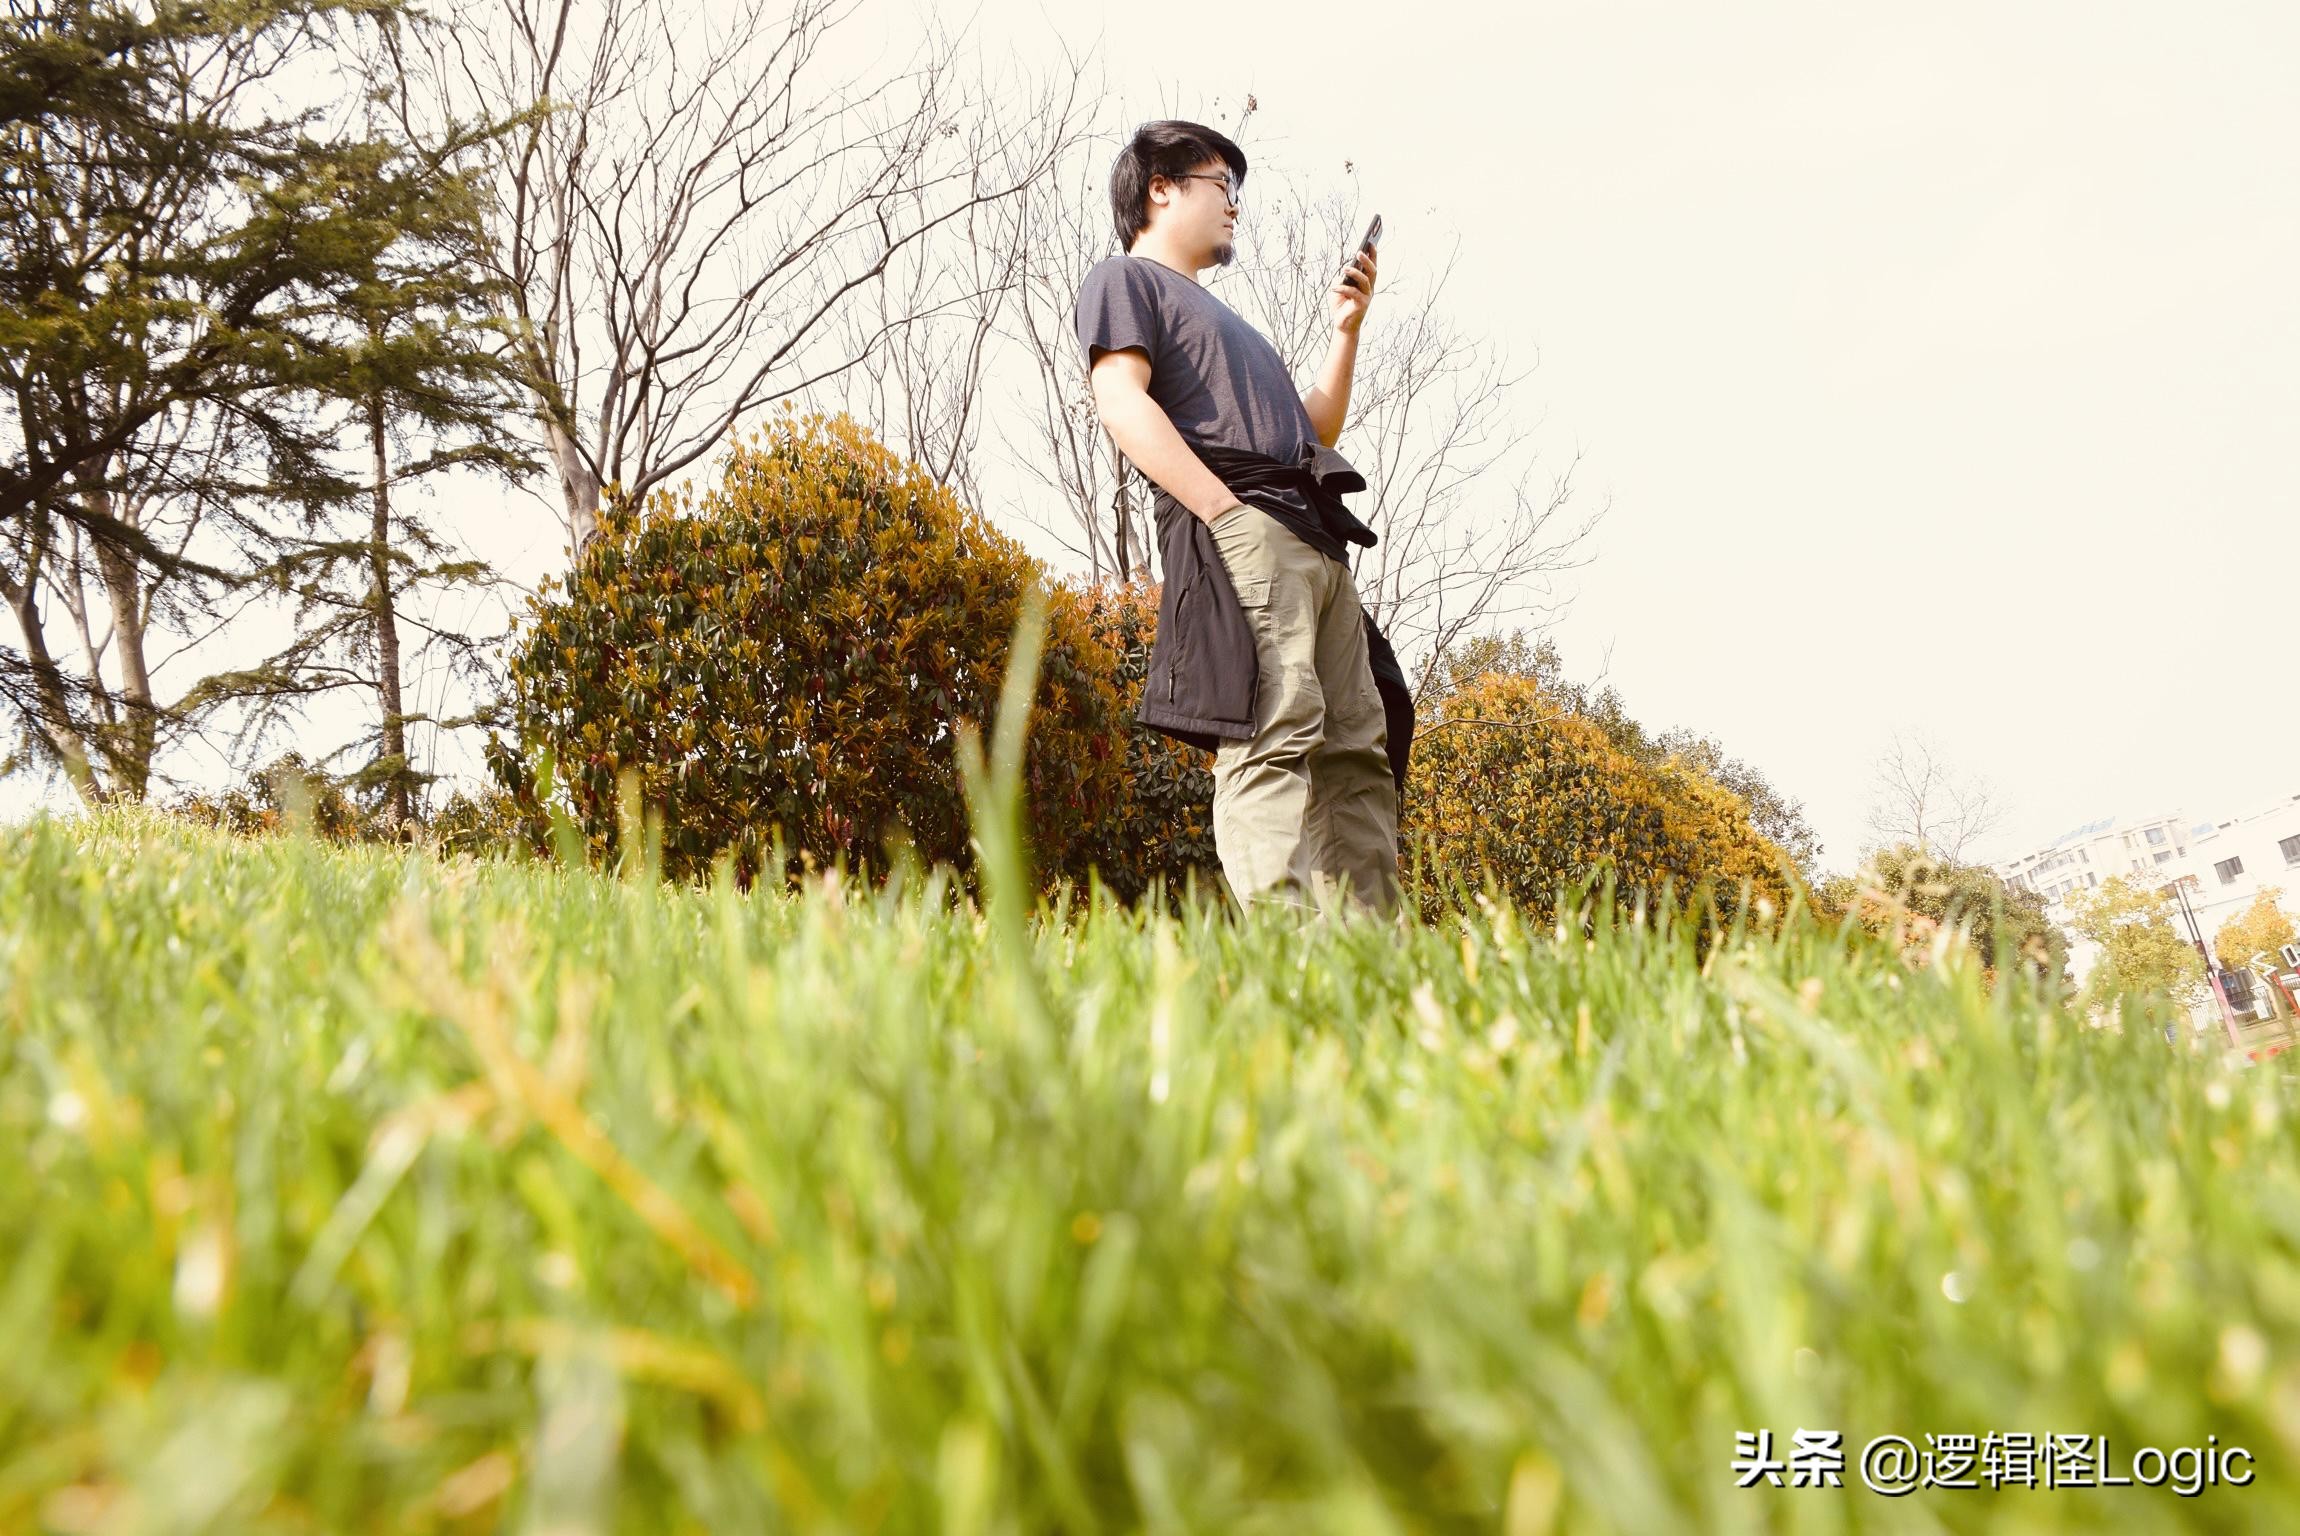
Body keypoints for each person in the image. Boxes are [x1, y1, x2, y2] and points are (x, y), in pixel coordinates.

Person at [1074, 120, 1411, 916]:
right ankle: (1287, 951)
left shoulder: (1232, 325)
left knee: (1356, 754)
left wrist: (1345, 332)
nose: (1234, 206)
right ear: (1163, 188)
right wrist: (1222, 512)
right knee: (1271, 733)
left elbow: (1312, 429)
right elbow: (1119, 400)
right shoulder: (1126, 280)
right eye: (1223, 184)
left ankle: (1371, 963)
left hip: (1316, 541)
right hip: (1247, 525)